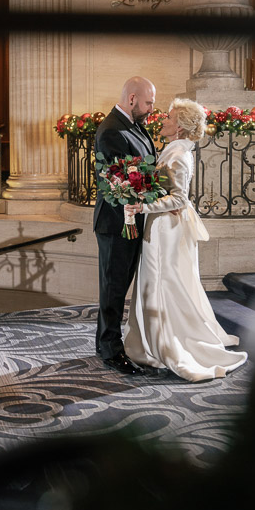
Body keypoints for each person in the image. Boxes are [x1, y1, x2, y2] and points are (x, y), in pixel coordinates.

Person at [122, 98, 248, 382]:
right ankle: (152, 339)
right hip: (163, 225)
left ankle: (170, 341)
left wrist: (143, 206)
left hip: (168, 228)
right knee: (161, 280)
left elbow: (179, 198)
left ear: (179, 127)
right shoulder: (174, 149)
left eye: (168, 117)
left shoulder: (179, 155)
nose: (163, 120)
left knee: (166, 281)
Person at [94, 76, 157, 375]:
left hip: (132, 219)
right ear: (132, 98)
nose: (151, 109)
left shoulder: (134, 126)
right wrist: (160, 188)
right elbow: (119, 182)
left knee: (121, 285)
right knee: (113, 288)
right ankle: (110, 351)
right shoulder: (111, 131)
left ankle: (107, 345)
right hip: (117, 222)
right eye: (148, 103)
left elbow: (145, 169)